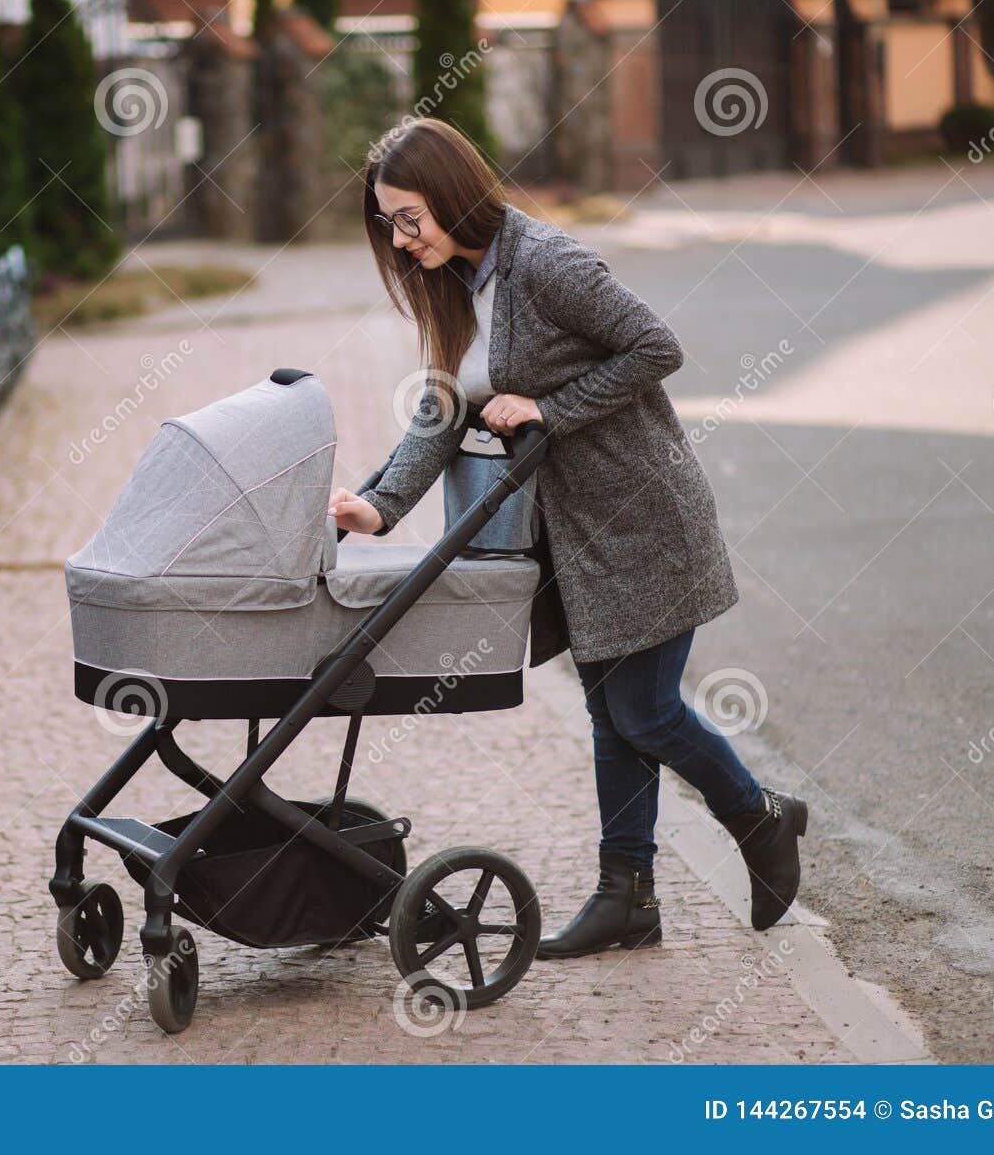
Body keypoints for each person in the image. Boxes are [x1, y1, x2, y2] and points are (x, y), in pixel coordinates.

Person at [328, 118, 807, 957]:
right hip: (574, 539)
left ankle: (757, 815)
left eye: (410, 218)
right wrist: (378, 506)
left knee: (644, 709)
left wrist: (553, 409)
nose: (402, 242)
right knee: (609, 713)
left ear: (450, 195)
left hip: (642, 517)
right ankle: (627, 896)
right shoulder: (455, 286)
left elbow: (657, 345)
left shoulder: (544, 262)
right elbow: (443, 409)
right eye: (389, 225)